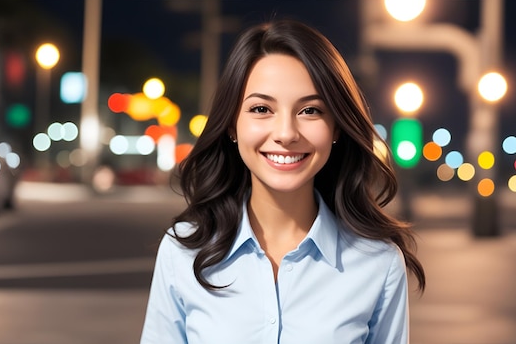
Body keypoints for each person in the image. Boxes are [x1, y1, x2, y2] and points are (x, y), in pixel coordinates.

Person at [140, 19, 425, 344]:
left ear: (336, 128)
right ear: (232, 125)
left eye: (310, 111)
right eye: (261, 109)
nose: (286, 133)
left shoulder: (378, 262)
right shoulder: (183, 250)